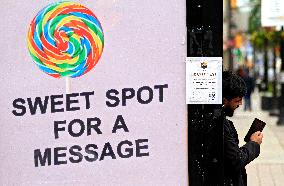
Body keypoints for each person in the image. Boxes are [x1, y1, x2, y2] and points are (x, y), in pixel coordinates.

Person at [222, 71, 263, 186]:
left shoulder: (222, 121)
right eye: (237, 100)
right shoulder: (221, 125)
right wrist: (254, 143)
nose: (240, 104)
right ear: (225, 100)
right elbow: (236, 160)